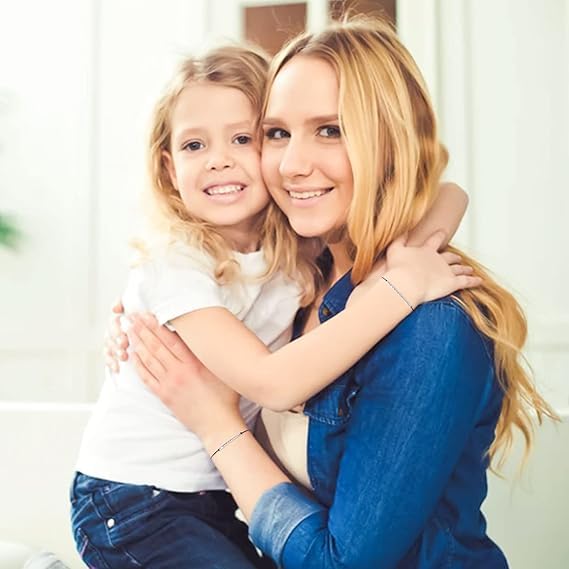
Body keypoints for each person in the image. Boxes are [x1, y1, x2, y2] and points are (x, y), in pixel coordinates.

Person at [116, 16, 557, 569]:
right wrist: (140, 317)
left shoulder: (432, 323)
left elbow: (342, 563)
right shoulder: (298, 283)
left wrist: (216, 424)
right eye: (277, 133)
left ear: (389, 143)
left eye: (330, 130)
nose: (293, 165)